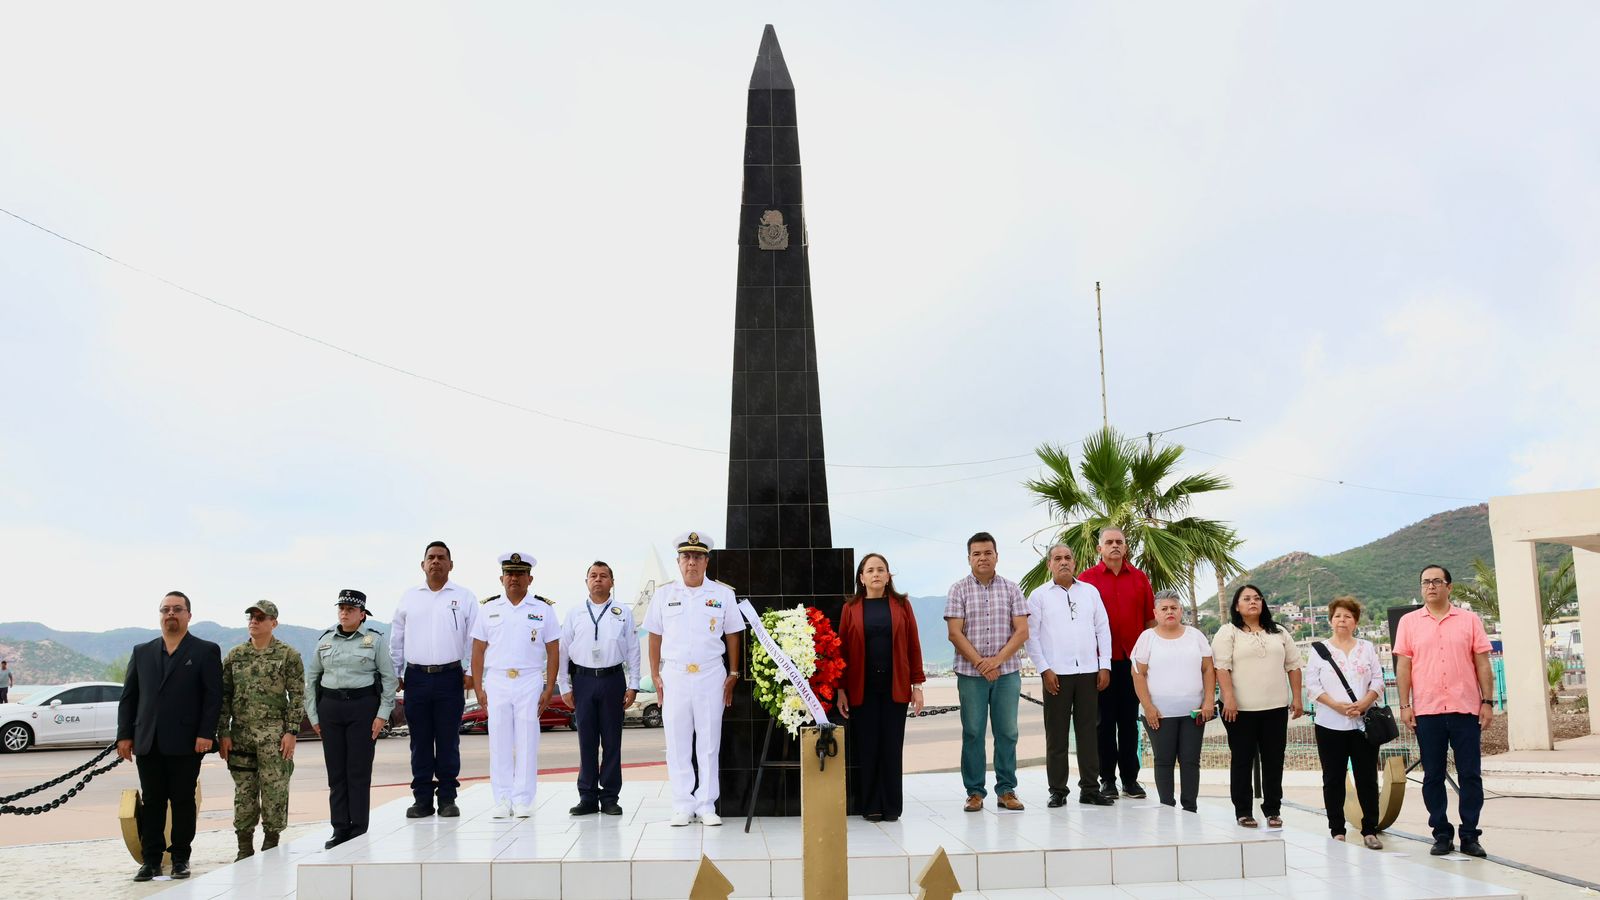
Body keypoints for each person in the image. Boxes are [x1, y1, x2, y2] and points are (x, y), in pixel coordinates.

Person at [116, 591, 223, 882]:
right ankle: (151, 861)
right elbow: (129, 697)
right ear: (160, 615)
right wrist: (124, 736)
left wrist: (206, 733)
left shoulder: (206, 650)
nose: (171, 614)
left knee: (182, 801)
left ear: (189, 614)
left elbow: (213, 697)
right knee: (152, 802)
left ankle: (180, 858)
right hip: (147, 741)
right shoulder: (142, 651)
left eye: (177, 609)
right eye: (165, 610)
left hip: (187, 742)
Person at [644, 531, 744, 827]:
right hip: (674, 674)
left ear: (706, 561)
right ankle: (682, 804)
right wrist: (654, 674)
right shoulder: (664, 594)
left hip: (711, 673)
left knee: (709, 741)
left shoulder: (723, 594)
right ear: (678, 561)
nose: (692, 562)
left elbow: (733, 633)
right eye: (686, 556)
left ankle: (706, 804)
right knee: (677, 741)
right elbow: (654, 634)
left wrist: (734, 672)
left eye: (698, 557)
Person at [1396, 564, 1494, 858]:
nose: (1431, 586)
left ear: (1449, 587)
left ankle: (1470, 835)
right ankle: (1440, 833)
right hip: (1427, 711)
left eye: (1437, 581)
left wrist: (1487, 702)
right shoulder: (1409, 623)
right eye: (1425, 582)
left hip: (1465, 709)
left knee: (1470, 775)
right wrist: (1404, 705)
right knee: (1433, 776)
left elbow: (1482, 663)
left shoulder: (1469, 620)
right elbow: (1404, 666)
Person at [391, 540, 477, 818]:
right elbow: (397, 638)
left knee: (448, 738)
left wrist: (471, 672)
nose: (436, 561)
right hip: (416, 677)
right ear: (423, 564)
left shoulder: (464, 597)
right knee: (420, 740)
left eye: (441, 557)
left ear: (451, 564)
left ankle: (448, 798)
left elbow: (473, 638)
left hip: (451, 677)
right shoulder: (409, 597)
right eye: (431, 557)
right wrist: (395, 672)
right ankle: (422, 799)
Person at [1024, 543, 1115, 808]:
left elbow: (1102, 628)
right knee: (1057, 734)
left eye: (1068, 558)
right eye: (1057, 558)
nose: (1063, 562)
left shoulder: (1090, 592)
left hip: (1088, 672)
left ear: (1074, 563)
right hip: (1056, 674)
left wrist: (1104, 665)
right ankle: (1058, 791)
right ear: (1049, 565)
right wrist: (1044, 669)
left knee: (1089, 733)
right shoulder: (1038, 596)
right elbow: (1032, 637)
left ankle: (1089, 788)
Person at [471, 552, 561, 818]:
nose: (514, 578)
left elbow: (554, 650)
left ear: (529, 578)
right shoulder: (488, 609)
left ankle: (523, 799)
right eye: (509, 573)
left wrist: (549, 687)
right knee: (498, 739)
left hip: (530, 678)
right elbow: (477, 650)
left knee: (527, 739)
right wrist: (478, 687)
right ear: (501, 578)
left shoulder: (543, 609)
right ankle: (502, 798)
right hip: (497, 679)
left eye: (520, 573)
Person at [837, 552, 926, 821]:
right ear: (861, 578)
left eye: (881, 569)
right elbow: (842, 653)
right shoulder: (850, 609)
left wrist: (917, 685)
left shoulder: (902, 606)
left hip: (895, 687)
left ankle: (892, 807)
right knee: (868, 746)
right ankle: (871, 805)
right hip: (862, 689)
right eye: (870, 570)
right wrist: (841, 689)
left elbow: (913, 645)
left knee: (891, 747)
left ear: (888, 577)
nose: (876, 574)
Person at [306, 590, 398, 849]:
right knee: (336, 773)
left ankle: (358, 829)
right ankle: (339, 828)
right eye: (341, 608)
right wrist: (313, 715)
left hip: (362, 707)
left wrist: (382, 714)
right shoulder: (325, 640)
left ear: (362, 614)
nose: (344, 612)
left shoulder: (375, 640)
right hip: (331, 708)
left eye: (350, 609)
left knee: (357, 771)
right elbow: (312, 679)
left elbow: (389, 678)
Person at [945, 531, 1030, 812]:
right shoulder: (958, 589)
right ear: (969, 558)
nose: (982, 558)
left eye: (987, 553)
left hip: (1006, 674)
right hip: (971, 675)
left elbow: (1021, 631)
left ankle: (1007, 790)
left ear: (996, 556)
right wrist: (981, 663)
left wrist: (996, 661)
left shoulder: (1011, 588)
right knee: (973, 732)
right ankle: (974, 792)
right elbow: (955, 634)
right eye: (976, 554)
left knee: (1007, 732)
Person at [218, 600, 305, 861]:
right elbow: (224, 696)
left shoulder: (288, 655)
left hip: (274, 739)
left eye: (260, 617)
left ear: (273, 623)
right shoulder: (235, 656)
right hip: (242, 737)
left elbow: (298, 696)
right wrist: (223, 732)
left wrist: (291, 732)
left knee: (275, 792)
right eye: (251, 617)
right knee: (243, 794)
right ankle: (244, 848)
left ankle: (271, 843)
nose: (254, 621)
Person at [1212, 584, 1304, 829]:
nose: (1252, 602)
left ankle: (1273, 809)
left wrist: (1297, 698)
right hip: (1239, 710)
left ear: (1263, 603)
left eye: (1257, 598)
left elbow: (1294, 666)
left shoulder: (1279, 632)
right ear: (1237, 606)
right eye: (1246, 599)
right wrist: (1228, 698)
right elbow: (1222, 667)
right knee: (1241, 759)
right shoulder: (1228, 632)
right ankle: (1243, 811)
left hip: (1275, 708)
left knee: (1274, 759)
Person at [557, 560, 641, 817]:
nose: (598, 580)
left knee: (612, 740)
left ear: (612, 582)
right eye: (593, 576)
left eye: (604, 576)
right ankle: (587, 796)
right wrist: (564, 685)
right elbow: (562, 651)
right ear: (586, 582)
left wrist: (634, 684)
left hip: (612, 680)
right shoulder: (574, 613)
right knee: (587, 741)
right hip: (582, 681)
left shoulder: (623, 612)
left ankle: (610, 797)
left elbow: (633, 650)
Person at [1078, 526, 1156, 800]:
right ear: (1099, 548)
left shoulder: (1139, 579)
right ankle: (1107, 780)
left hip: (1132, 662)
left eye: (1119, 542)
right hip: (1101, 662)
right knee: (1103, 723)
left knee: (1128, 722)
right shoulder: (1086, 581)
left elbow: (1149, 621)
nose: (1114, 546)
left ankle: (1130, 780)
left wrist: (1148, 659)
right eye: (1109, 542)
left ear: (1125, 547)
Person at [1306, 596, 1385, 848]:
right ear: (1330, 620)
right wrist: (1336, 705)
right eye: (1338, 615)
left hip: (1363, 725)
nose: (1342, 620)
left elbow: (1378, 680)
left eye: (1348, 616)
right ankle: (1337, 829)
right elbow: (1312, 686)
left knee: (1367, 778)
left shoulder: (1367, 648)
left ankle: (1370, 829)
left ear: (1356, 621)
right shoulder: (1319, 650)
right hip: (1330, 723)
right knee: (1333, 778)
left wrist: (1364, 703)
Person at [1130, 591, 1215, 813]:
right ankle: (1167, 806)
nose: (1169, 612)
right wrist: (1148, 707)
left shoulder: (1195, 636)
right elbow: (1138, 675)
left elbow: (1207, 669)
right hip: (1159, 713)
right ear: (1155, 613)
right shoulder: (1147, 638)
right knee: (1164, 760)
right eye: (1164, 609)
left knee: (1190, 761)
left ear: (1181, 611)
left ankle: (1190, 808)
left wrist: (1208, 702)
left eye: (1174, 608)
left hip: (1193, 713)